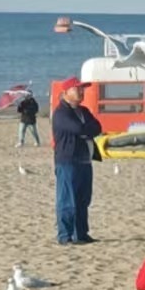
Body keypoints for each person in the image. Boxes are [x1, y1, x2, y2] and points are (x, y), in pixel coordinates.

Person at [51, 81, 101, 245]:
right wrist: (85, 130)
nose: (81, 92)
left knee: (83, 199)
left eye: (82, 89)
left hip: (85, 160)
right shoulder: (61, 113)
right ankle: (65, 235)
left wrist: (85, 131)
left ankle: (81, 233)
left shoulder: (83, 111)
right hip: (68, 160)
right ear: (66, 92)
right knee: (67, 199)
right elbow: (77, 129)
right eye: (77, 89)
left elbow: (97, 127)